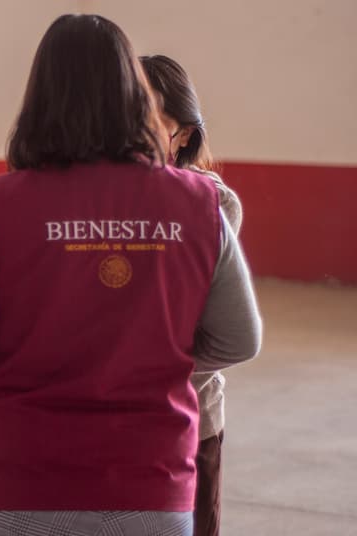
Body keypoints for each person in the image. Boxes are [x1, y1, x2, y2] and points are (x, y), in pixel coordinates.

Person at [0, 14, 262, 536]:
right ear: (134, 92)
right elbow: (240, 338)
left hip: (22, 482)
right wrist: (154, 356)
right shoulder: (200, 205)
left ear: (39, 96)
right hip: (150, 481)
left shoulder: (0, 206)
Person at [141, 53, 241, 536]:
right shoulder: (96, 199)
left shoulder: (211, 200)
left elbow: (218, 329)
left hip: (189, 418)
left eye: (149, 115)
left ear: (182, 130)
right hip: (114, 423)